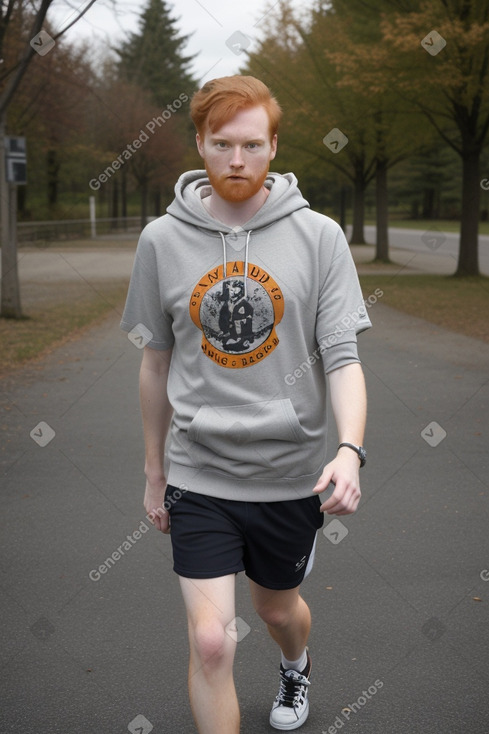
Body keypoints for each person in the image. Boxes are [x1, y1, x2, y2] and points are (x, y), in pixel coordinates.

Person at [121, 75, 371, 733]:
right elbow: (155, 362)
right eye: (222, 144)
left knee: (275, 611)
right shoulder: (161, 241)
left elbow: (342, 359)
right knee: (210, 641)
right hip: (196, 473)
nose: (238, 160)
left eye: (253, 145)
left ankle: (295, 667)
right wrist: (154, 473)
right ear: (199, 144)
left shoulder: (319, 237)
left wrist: (348, 451)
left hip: (288, 475)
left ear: (274, 145)